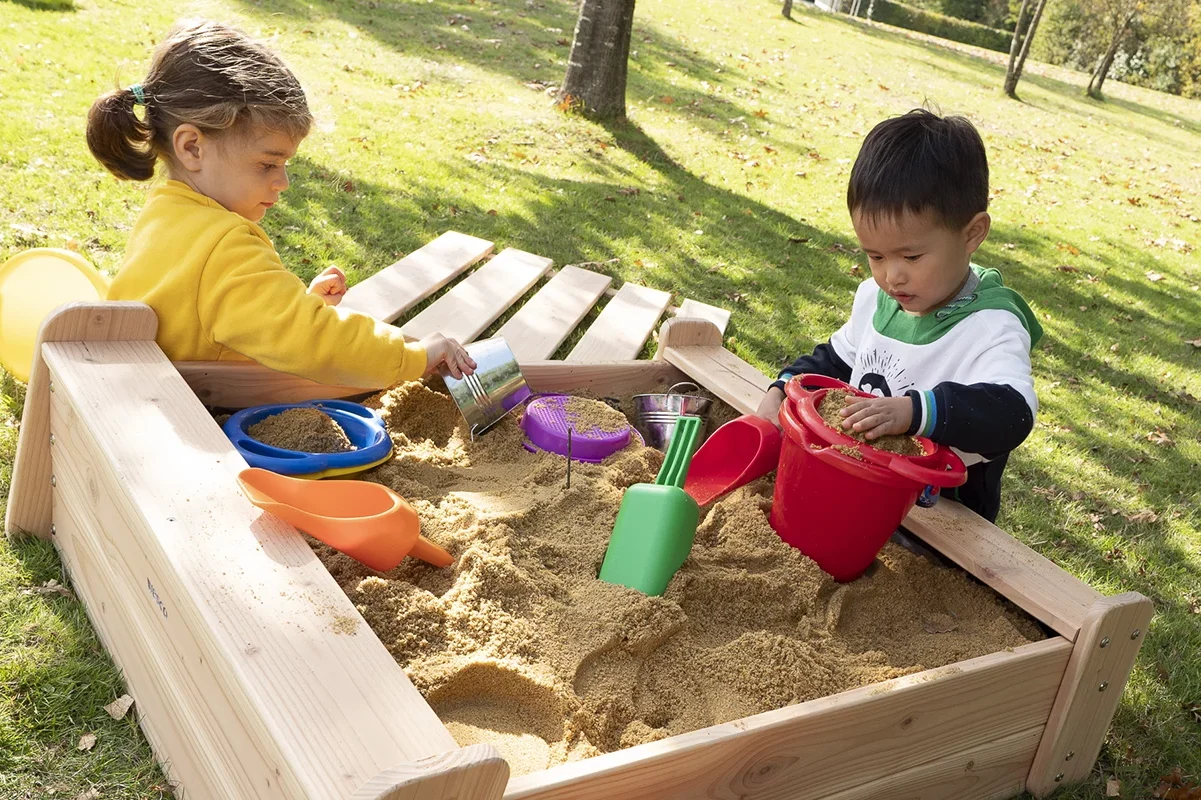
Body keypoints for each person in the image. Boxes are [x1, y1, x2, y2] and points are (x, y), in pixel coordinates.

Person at [87, 19, 475, 388]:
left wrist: (289, 305)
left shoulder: (167, 211)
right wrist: (416, 356)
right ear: (192, 147)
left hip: (144, 392)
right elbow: (316, 341)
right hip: (198, 416)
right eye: (267, 163)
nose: (282, 182)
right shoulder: (226, 246)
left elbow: (209, 318)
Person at [756, 108, 1041, 523]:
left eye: (911, 255)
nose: (892, 275)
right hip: (853, 487)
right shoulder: (877, 298)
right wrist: (782, 387)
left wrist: (913, 412)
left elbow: (1012, 413)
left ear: (972, 234)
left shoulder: (990, 327)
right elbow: (835, 361)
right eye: (874, 255)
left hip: (937, 522)